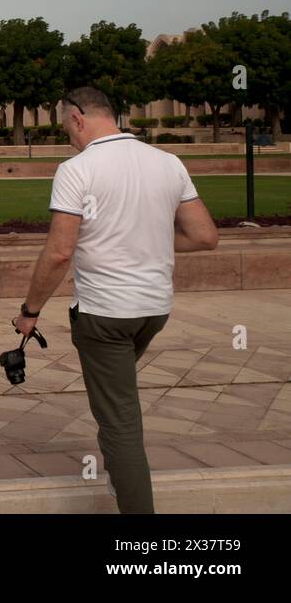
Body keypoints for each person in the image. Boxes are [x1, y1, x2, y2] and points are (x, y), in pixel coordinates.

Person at [17, 87, 219, 514]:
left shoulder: (77, 169)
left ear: (77, 118)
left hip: (105, 315)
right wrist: (141, 237)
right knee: (117, 404)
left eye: (64, 127)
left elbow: (59, 252)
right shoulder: (168, 162)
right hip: (154, 309)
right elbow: (204, 236)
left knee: (120, 422)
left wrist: (30, 311)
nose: (66, 137)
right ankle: (118, 474)